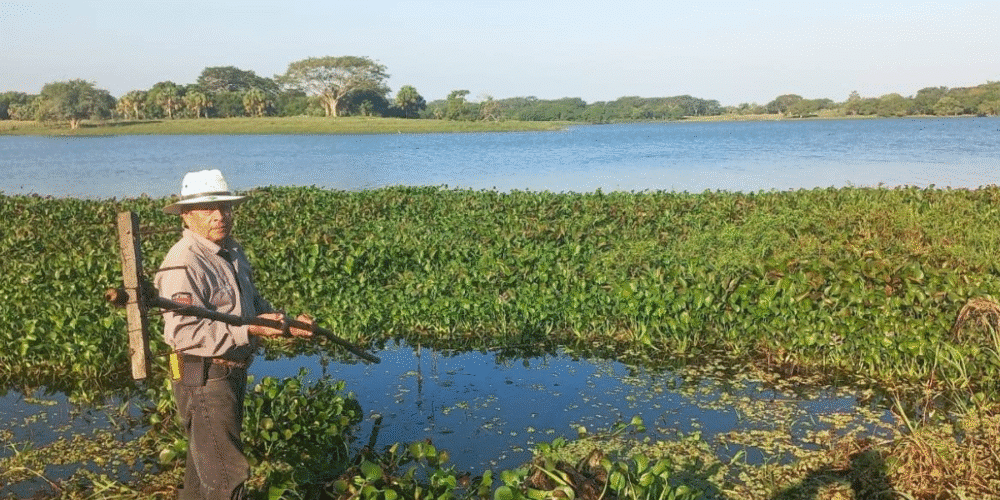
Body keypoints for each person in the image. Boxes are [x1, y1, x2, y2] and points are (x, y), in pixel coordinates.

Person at [155, 169, 314, 500]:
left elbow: (252, 305)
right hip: (203, 376)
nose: (220, 216)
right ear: (186, 215)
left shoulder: (232, 250)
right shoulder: (183, 262)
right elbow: (183, 332)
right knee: (226, 476)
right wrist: (249, 329)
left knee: (204, 470)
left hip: (229, 372)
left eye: (225, 207)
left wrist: (285, 323)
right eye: (208, 209)